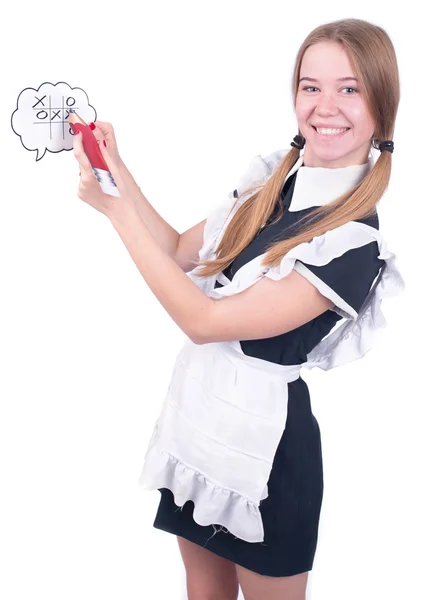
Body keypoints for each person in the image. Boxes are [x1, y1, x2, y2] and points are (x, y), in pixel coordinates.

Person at [75, 17, 404, 600]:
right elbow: (180, 251)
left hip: (267, 458)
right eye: (311, 86)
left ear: (382, 103)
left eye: (349, 88)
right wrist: (116, 177)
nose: (326, 105)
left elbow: (205, 322)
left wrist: (119, 217)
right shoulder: (272, 184)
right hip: (199, 422)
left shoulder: (353, 243)